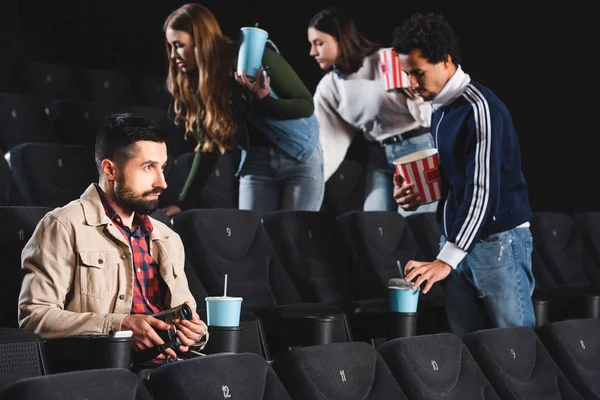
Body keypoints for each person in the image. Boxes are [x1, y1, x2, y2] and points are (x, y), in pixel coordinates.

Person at [19, 113, 208, 359]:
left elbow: (188, 316)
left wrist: (198, 334)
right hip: (109, 371)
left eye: (162, 168)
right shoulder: (63, 226)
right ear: (110, 170)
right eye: (148, 167)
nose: (162, 183)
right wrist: (119, 327)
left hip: (174, 369)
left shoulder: (168, 238)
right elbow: (35, 318)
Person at [392, 13, 535, 336]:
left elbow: (483, 192)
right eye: (407, 74)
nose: (412, 85)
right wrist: (417, 194)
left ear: (445, 61)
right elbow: (459, 179)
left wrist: (447, 259)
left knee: (515, 352)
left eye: (418, 73)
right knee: (471, 353)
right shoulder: (440, 108)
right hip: (458, 242)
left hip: (497, 242)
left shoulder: (479, 107)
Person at [161, 3, 323, 217]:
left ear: (201, 41)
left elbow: (305, 104)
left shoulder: (252, 56)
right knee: (253, 241)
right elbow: (208, 146)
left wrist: (265, 101)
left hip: (297, 155)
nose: (173, 55)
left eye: (179, 45)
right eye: (170, 47)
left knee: (293, 241)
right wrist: (183, 202)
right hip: (255, 164)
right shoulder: (196, 85)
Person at [308, 7, 436, 214]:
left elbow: (428, 113)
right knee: (375, 226)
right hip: (378, 156)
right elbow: (327, 141)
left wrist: (415, 96)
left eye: (319, 43)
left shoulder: (387, 59)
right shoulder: (329, 86)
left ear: (341, 38)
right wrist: (311, 178)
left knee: (418, 225)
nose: (312, 52)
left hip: (416, 149)